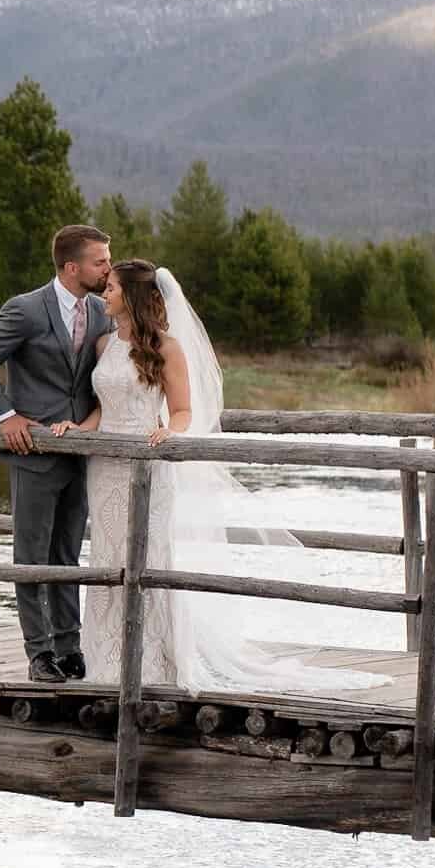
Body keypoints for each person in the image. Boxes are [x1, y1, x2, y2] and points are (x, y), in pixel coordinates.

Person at [50, 260, 387, 694]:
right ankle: (107, 659)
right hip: (106, 470)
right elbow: (105, 408)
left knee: (149, 556)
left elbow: (185, 410)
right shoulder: (102, 345)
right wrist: (81, 430)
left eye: (112, 288)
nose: (105, 294)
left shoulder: (167, 348)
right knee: (107, 557)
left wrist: (172, 430)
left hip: (149, 463)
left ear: (132, 296)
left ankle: (154, 659)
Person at [0, 225, 114, 683]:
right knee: (31, 555)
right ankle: (38, 653)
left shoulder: (100, 312)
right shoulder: (26, 309)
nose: (108, 268)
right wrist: (5, 415)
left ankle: (70, 646)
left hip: (80, 451)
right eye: (100, 261)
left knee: (67, 555)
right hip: (32, 452)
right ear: (73, 267)